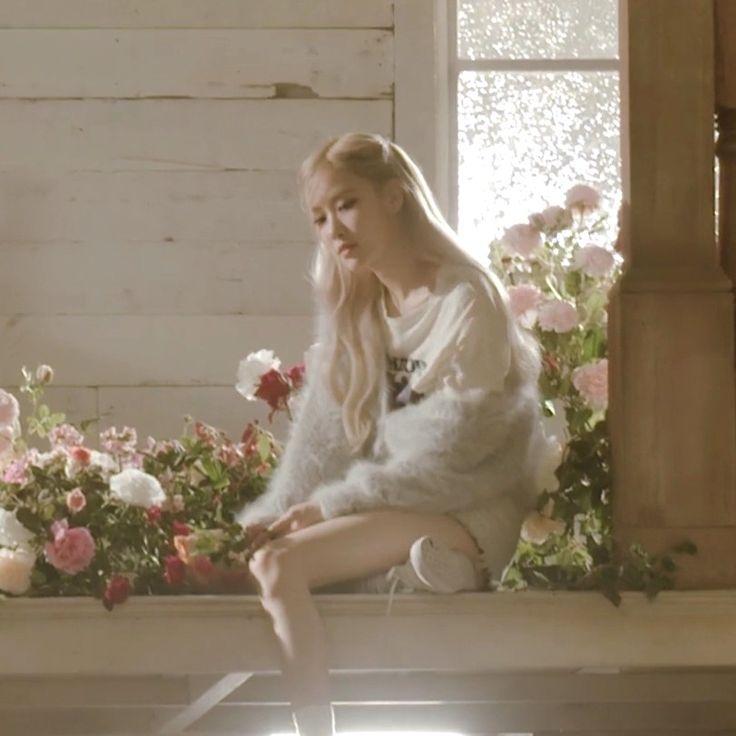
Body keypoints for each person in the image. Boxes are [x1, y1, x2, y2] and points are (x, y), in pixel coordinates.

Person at [233, 132, 547, 736]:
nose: (333, 229)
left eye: (346, 204)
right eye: (320, 217)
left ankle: (315, 731)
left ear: (396, 196)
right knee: (267, 558)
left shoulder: (466, 299)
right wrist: (266, 522)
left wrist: (326, 509)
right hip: (397, 510)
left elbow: (452, 457)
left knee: (283, 570)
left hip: (468, 510)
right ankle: (416, 570)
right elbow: (319, 449)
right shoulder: (360, 311)